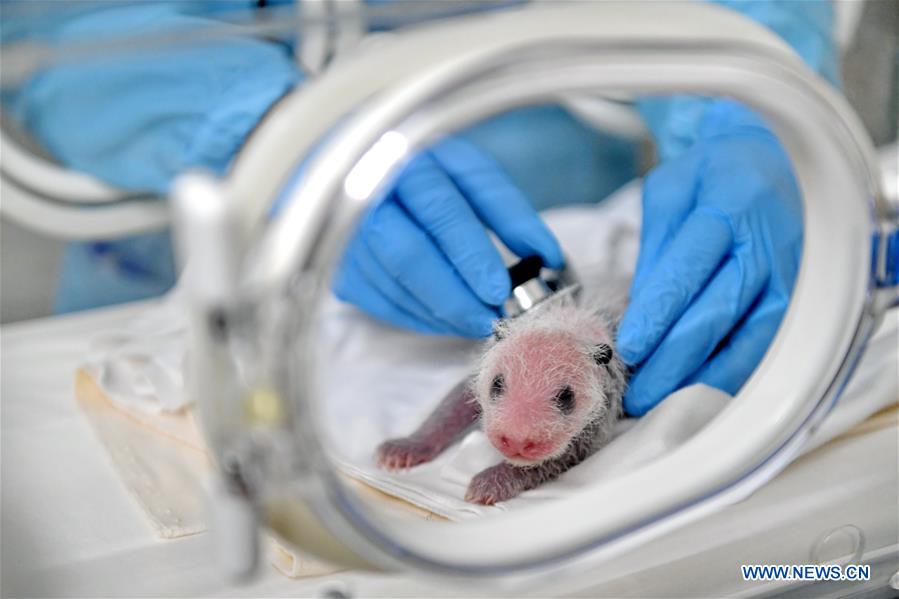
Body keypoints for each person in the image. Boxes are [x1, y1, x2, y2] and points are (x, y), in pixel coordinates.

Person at [3, 0, 839, 415]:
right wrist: (264, 134)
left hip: (566, 181)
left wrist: (751, 110)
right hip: (175, 251)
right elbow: (60, 24)